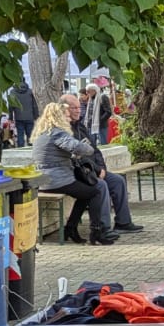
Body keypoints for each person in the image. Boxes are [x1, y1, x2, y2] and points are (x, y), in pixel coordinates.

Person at [30, 101, 116, 247]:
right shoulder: (57, 132)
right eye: (67, 116)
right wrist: (88, 148)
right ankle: (96, 232)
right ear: (59, 117)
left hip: (44, 180)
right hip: (57, 180)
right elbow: (76, 147)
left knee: (85, 194)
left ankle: (70, 228)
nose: (69, 119)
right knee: (95, 192)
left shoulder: (42, 133)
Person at [61, 92, 143, 235]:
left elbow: (95, 150)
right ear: (64, 109)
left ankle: (123, 223)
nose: (78, 110)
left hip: (93, 170)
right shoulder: (63, 131)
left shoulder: (81, 127)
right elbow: (76, 158)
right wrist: (97, 171)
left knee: (118, 181)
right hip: (79, 173)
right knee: (101, 185)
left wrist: (102, 168)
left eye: (79, 107)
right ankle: (103, 229)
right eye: (74, 108)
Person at [9, 78, 39, 147]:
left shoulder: (12, 92)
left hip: (19, 117)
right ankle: (32, 149)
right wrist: (36, 116)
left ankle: (20, 150)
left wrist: (10, 117)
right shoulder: (30, 91)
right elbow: (34, 105)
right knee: (30, 135)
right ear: (24, 81)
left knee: (20, 135)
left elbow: (11, 106)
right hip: (30, 117)